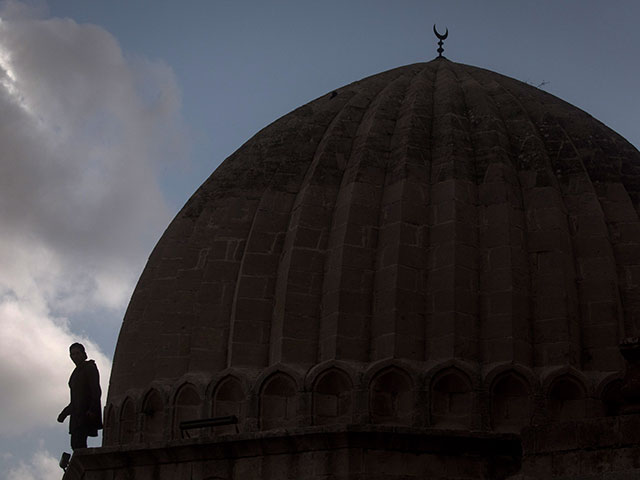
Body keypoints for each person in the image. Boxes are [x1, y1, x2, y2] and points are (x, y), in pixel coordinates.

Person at [57, 343, 103, 450]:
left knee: (79, 442)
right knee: (75, 443)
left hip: (85, 412)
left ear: (83, 354)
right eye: (72, 354)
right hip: (76, 414)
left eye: (77, 353)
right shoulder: (76, 373)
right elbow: (75, 399)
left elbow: (95, 390)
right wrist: (64, 413)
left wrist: (92, 409)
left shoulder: (89, 368)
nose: (75, 356)